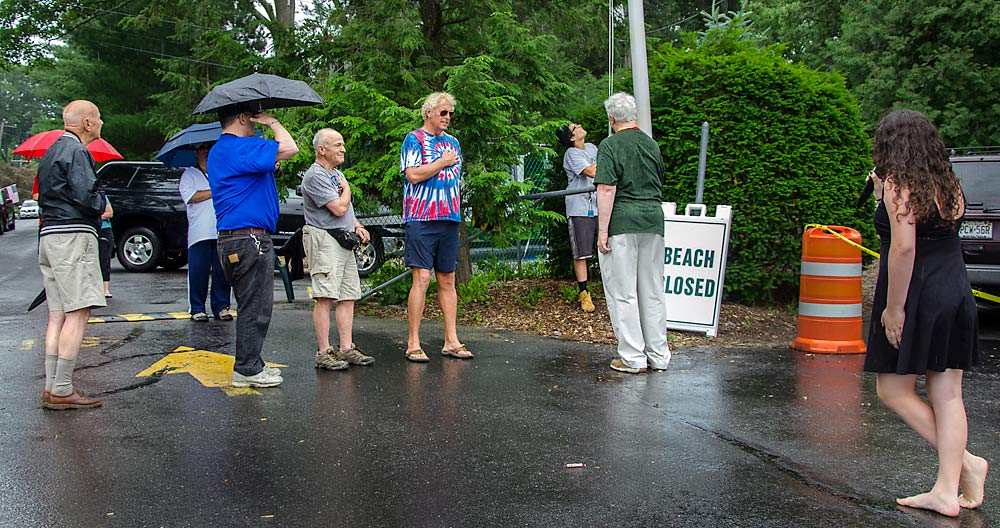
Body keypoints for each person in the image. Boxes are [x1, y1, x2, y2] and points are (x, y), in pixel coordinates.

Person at [865, 109, 987, 517]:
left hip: (918, 295)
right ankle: (950, 486)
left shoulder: (900, 185)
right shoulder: (948, 183)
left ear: (891, 144)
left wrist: (893, 309)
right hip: (955, 292)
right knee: (949, 394)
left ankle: (964, 468)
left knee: (892, 389)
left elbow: (903, 248)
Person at [208, 107, 298, 388]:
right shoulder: (239, 146)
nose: (259, 123)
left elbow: (263, 169)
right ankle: (247, 368)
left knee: (251, 304)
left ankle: (251, 362)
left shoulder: (222, 151)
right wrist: (273, 122)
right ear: (244, 118)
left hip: (235, 238)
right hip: (250, 239)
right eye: (255, 118)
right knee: (255, 306)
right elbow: (290, 148)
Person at [37, 100, 108, 409]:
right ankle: (63, 389)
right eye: (98, 118)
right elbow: (87, 196)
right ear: (88, 124)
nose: (102, 123)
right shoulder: (77, 151)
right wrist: (103, 205)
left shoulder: (51, 150)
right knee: (78, 312)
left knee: (57, 314)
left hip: (49, 236)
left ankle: (52, 386)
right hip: (72, 236)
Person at [595, 92, 671, 374]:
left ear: (611, 118)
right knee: (652, 290)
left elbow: (606, 188)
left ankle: (632, 357)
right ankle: (659, 355)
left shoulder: (610, 145)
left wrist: (603, 231)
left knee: (624, 292)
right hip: (653, 220)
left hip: (624, 221)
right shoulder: (651, 145)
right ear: (634, 116)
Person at [400, 91, 472, 362]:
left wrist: (444, 164)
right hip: (421, 217)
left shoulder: (453, 142)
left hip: (449, 217)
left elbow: (455, 177)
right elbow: (413, 174)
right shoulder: (413, 139)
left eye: (450, 114)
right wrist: (441, 162)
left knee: (448, 278)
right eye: (443, 113)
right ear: (428, 112)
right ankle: (413, 342)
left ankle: (451, 340)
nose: (447, 118)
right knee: (421, 278)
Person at [301, 128, 375, 371]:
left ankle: (346, 348)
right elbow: (339, 208)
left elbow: (347, 212)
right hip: (324, 240)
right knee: (325, 296)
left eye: (342, 144)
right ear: (321, 150)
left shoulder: (336, 174)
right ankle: (323, 352)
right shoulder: (315, 176)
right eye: (337, 145)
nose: (343, 149)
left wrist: (358, 226)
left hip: (343, 240)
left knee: (348, 296)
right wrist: (349, 192)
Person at [179, 142, 233, 322]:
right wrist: (214, 191)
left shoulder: (221, 173)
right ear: (196, 153)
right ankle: (197, 308)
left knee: (223, 272)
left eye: (210, 149)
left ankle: (221, 306)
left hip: (221, 230)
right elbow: (191, 197)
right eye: (203, 149)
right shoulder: (189, 174)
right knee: (198, 272)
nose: (207, 153)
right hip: (199, 232)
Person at [556, 123, 598, 313]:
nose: (581, 126)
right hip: (579, 208)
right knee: (581, 252)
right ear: (572, 138)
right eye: (576, 127)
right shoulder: (571, 154)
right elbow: (591, 172)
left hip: (598, 206)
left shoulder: (592, 148)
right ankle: (584, 293)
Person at [98, 199, 114, 298]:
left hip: (104, 229)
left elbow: (110, 213)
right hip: (88, 229)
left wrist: (95, 218)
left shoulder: (102, 197)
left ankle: (105, 289)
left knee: (104, 259)